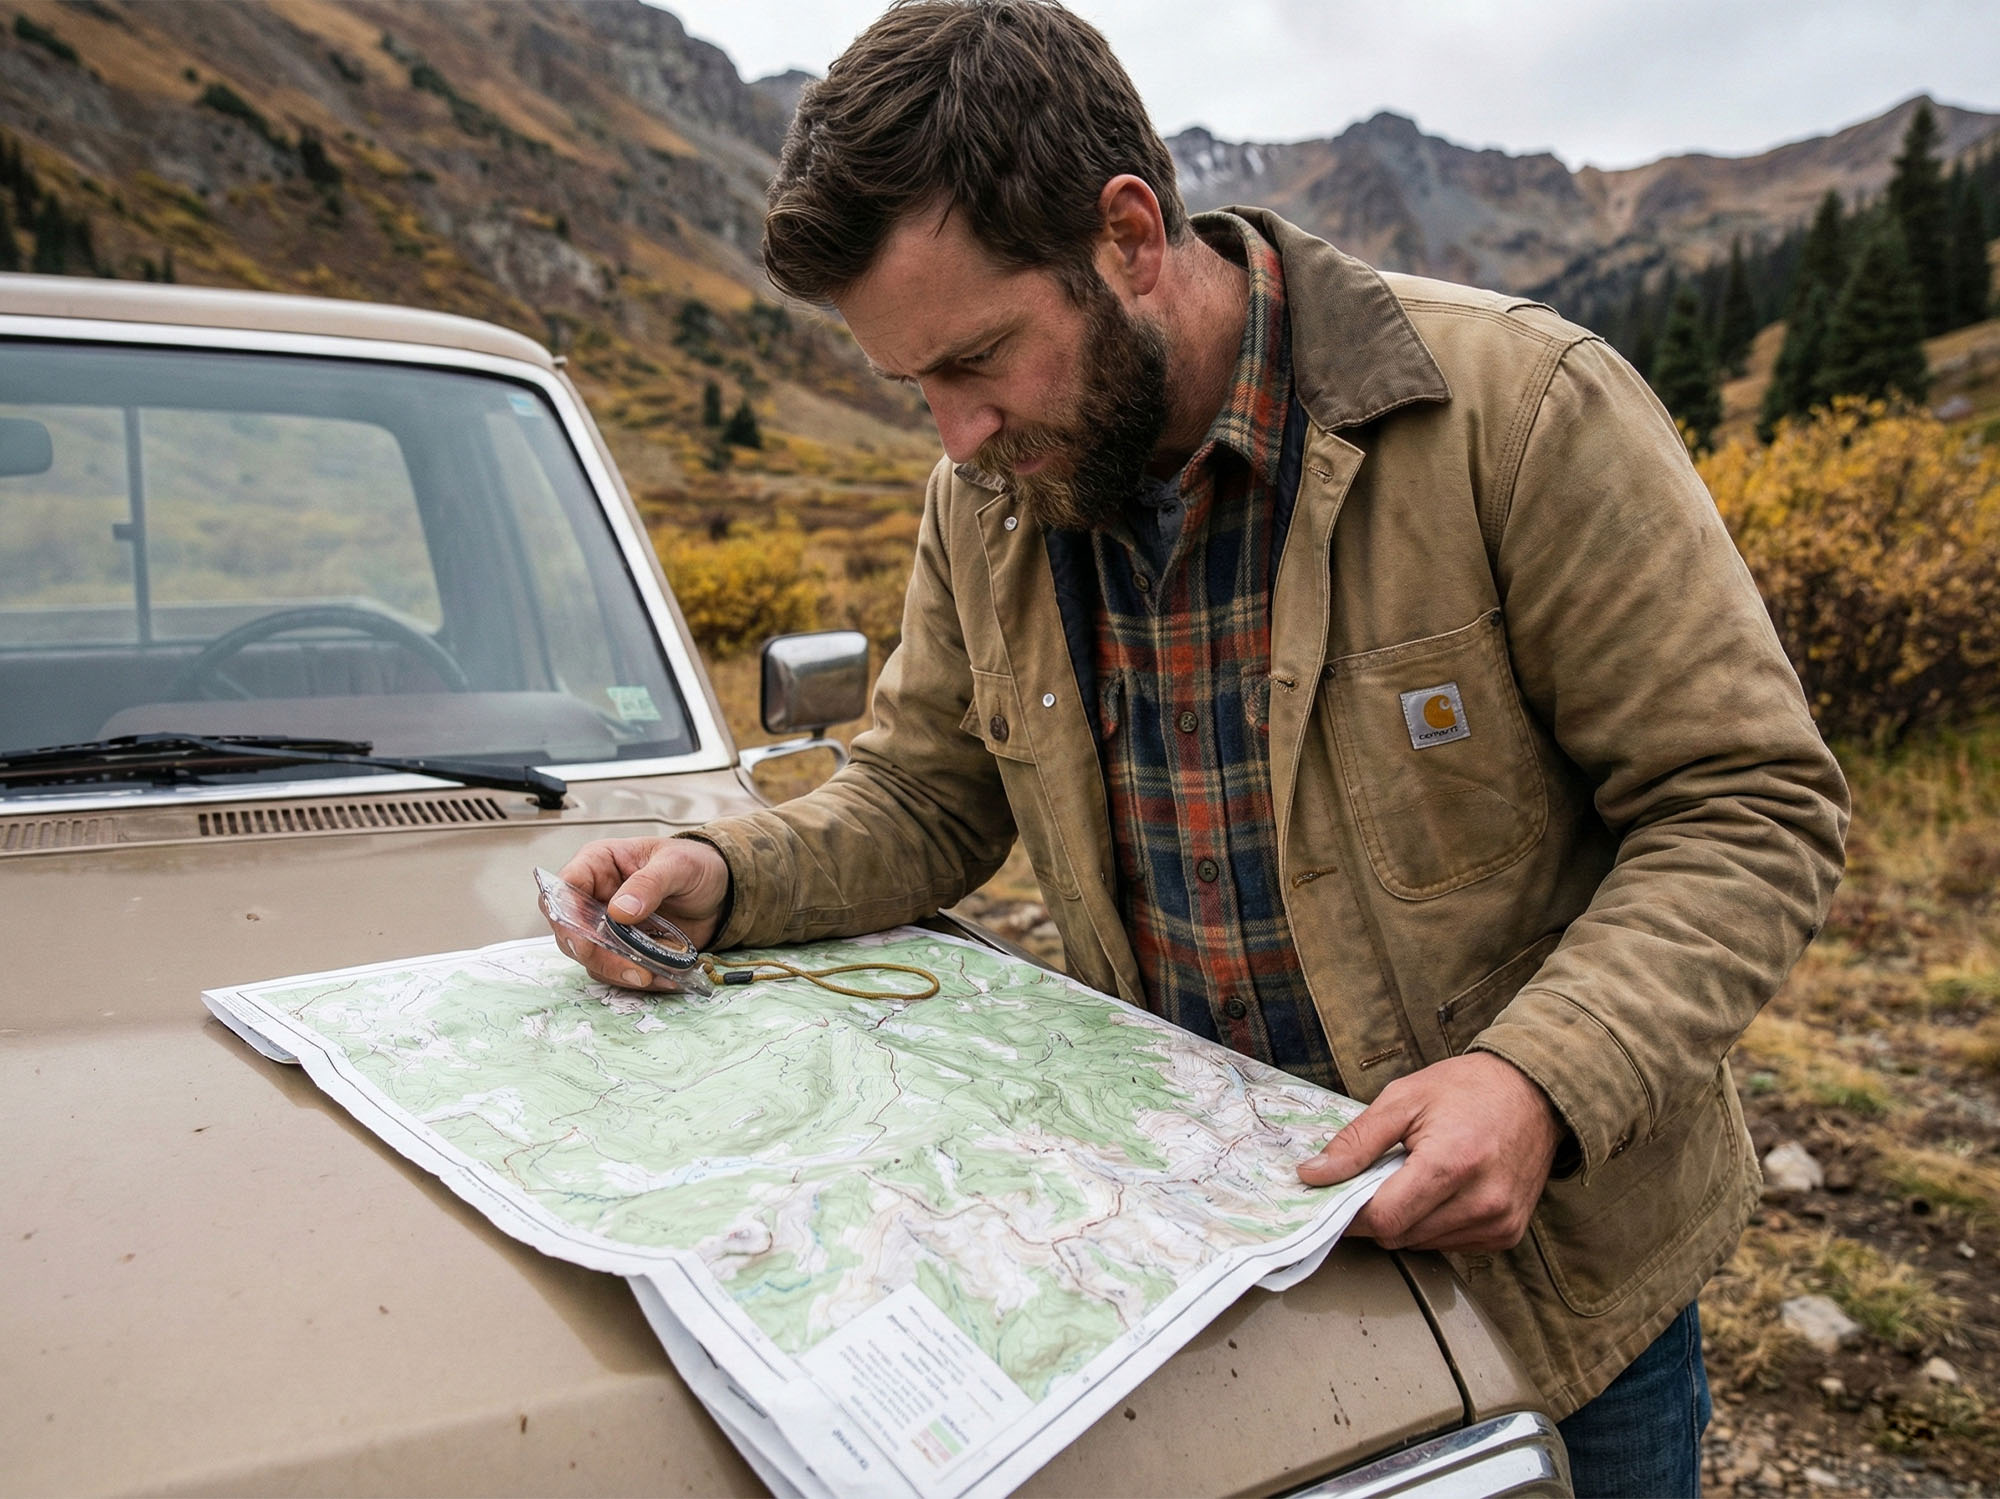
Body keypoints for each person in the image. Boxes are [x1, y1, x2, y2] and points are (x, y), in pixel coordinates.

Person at [552, 3, 1847, 1492]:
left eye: (978, 357)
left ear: (1126, 233)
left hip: (1546, 1296)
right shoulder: (985, 501)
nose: (955, 433)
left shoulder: (1518, 413)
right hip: (1199, 1262)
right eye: (912, 384)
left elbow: (1747, 804)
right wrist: (725, 866)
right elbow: (924, 792)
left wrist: (1539, 1079)